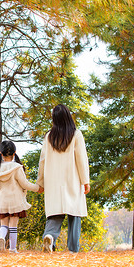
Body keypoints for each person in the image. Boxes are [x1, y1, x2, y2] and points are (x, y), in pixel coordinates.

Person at [37, 104, 90, 253]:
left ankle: (50, 236)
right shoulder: (76, 134)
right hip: (72, 179)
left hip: (53, 181)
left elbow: (43, 160)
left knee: (55, 214)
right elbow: (81, 159)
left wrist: (40, 182)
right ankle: (73, 249)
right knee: (75, 214)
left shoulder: (48, 136)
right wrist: (85, 180)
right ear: (68, 116)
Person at [0, 140, 43, 253]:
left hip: (1, 201)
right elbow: (25, 184)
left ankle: (1, 238)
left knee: (3, 225)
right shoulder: (17, 167)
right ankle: (13, 249)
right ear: (14, 153)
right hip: (15, 201)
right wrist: (38, 188)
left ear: (1, 153)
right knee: (13, 226)